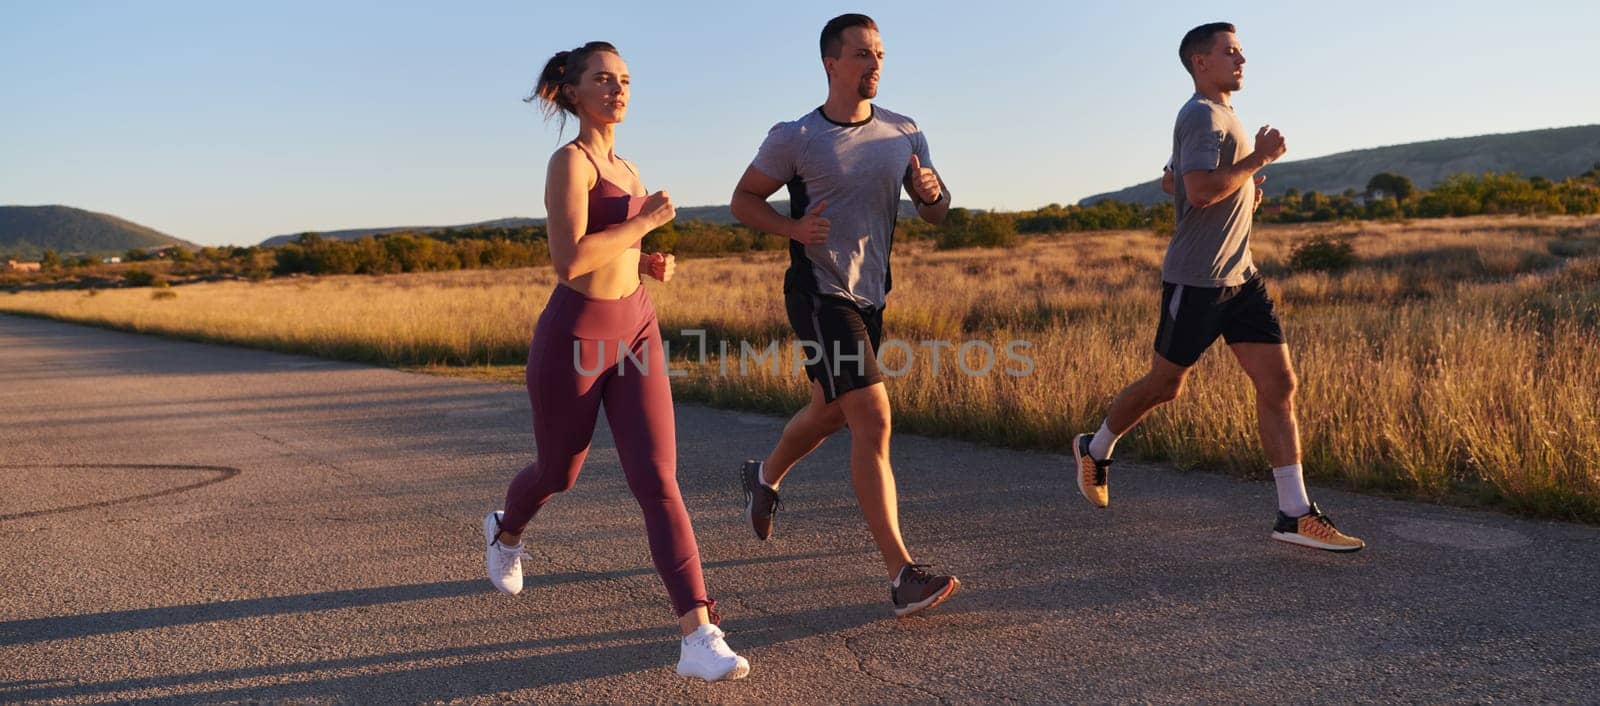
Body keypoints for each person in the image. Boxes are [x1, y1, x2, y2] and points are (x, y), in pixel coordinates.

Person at [482, 41, 749, 681]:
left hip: (635, 329)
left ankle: (698, 633)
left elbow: (612, 251)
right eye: (603, 79)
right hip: (575, 339)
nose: (618, 89)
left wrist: (645, 262)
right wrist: (647, 225)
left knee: (658, 481)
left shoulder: (627, 168)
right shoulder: (568, 164)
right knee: (558, 472)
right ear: (573, 92)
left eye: (625, 79)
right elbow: (570, 260)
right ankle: (505, 528)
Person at [1070, 22, 1364, 553]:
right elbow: (1199, 190)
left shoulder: (1224, 116)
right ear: (1200, 62)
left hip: (1241, 278)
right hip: (1198, 280)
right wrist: (1259, 161)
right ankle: (1095, 447)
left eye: (1242, 51)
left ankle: (1294, 514)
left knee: (1279, 386)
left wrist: (1243, 187)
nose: (1242, 59)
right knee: (1165, 386)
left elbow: (1173, 180)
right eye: (1230, 52)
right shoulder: (1201, 113)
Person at [729, 13, 961, 617]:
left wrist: (933, 196)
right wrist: (792, 227)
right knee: (872, 418)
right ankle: (901, 574)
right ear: (831, 63)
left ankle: (765, 476)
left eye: (879, 54)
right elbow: (742, 200)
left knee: (829, 411)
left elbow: (937, 214)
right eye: (862, 54)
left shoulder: (903, 132)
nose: (874, 64)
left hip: (871, 296)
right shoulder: (797, 137)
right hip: (818, 292)